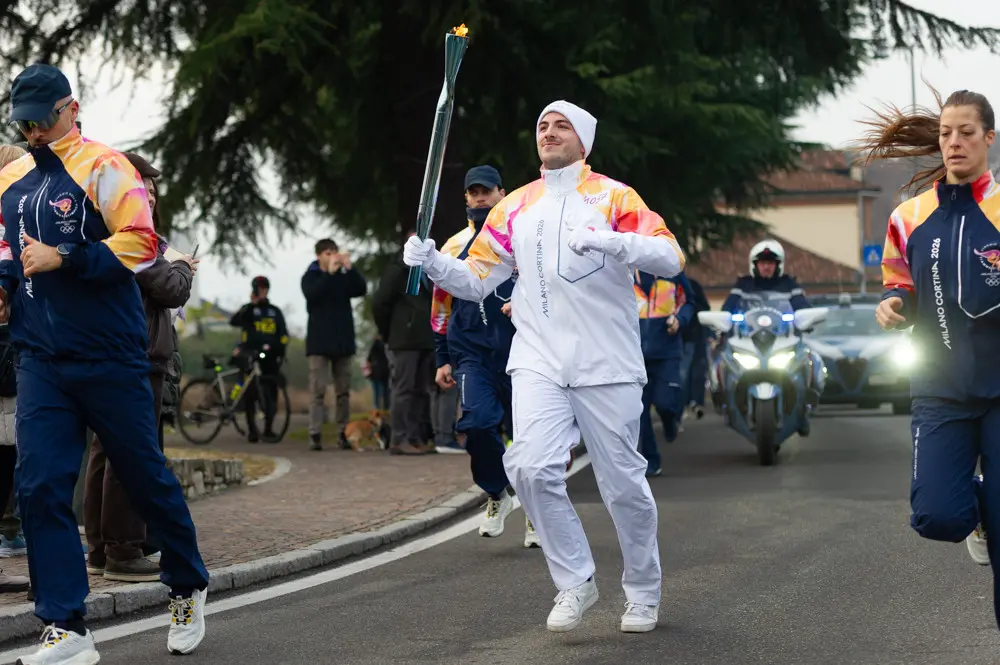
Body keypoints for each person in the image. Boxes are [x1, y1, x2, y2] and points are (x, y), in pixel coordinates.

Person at [403, 100, 684, 634]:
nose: (550, 133)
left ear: (584, 140)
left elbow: (670, 257)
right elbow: (478, 279)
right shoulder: (514, 206)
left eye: (562, 126)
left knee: (623, 483)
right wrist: (435, 263)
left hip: (606, 360)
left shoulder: (615, 196)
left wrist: (610, 239)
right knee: (528, 468)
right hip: (537, 358)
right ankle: (575, 579)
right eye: (542, 126)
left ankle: (643, 592)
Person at [0, 62, 208, 662]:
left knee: (142, 478)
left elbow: (143, 243)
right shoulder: (12, 178)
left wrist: (66, 256)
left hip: (111, 355)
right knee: (39, 485)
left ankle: (188, 584)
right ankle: (67, 626)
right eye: (25, 123)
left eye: (44, 119)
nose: (36, 132)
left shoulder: (106, 166)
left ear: (71, 107)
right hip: (40, 355)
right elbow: (8, 252)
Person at [867, 88, 1000, 631]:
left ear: (988, 138)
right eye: (946, 133)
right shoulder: (907, 216)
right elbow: (898, 285)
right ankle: (978, 517)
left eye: (966, 132)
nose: (954, 142)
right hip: (940, 388)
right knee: (938, 517)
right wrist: (892, 305)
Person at [84, 151, 197, 584]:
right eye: (140, 185)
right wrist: (184, 267)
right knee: (130, 452)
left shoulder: (100, 228)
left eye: (151, 188)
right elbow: (169, 289)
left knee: (104, 451)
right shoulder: (135, 233)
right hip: (139, 353)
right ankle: (123, 549)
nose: (147, 193)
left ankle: (99, 545)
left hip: (111, 349)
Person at [431, 165, 540, 544]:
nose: (481, 197)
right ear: (466, 197)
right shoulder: (452, 247)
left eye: (488, 190)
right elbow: (440, 305)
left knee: (531, 442)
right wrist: (442, 357)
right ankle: (498, 493)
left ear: (501, 193)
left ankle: (537, 514)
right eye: (474, 192)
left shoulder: (523, 238)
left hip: (524, 353)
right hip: (472, 356)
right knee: (477, 427)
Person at [717, 239, 824, 414]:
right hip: (749, 338)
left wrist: (807, 319)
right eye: (763, 263)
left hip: (783, 337)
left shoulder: (789, 284)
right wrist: (724, 321)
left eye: (771, 263)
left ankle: (805, 403)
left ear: (778, 265)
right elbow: (728, 308)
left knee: (809, 358)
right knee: (722, 360)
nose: (767, 267)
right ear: (755, 265)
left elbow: (801, 306)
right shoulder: (744, 285)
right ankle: (724, 398)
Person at [371, 235, 437, 456]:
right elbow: (380, 303)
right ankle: (399, 438)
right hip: (405, 341)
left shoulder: (429, 268)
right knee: (404, 389)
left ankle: (416, 437)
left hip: (426, 338)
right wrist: (389, 332)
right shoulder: (397, 270)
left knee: (421, 391)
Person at [302, 238, 367, 451]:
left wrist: (350, 268)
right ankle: (315, 434)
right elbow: (313, 295)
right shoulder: (310, 277)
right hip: (319, 343)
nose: (333, 257)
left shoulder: (343, 277)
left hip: (342, 342)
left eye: (335, 252)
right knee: (317, 391)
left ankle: (343, 433)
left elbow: (360, 289)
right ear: (319, 255)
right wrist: (328, 274)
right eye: (328, 253)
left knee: (343, 391)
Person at [634, 269, 694, 477]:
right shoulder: (627, 275)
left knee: (665, 403)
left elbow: (689, 303)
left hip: (667, 353)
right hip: (635, 357)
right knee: (640, 413)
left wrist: (679, 320)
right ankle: (651, 460)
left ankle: (671, 422)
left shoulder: (672, 273)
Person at [229, 276, 289, 443]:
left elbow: (283, 334)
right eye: (258, 289)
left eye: (263, 289)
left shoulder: (275, 312)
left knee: (271, 394)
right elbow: (234, 321)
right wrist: (251, 305)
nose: (261, 292)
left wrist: (280, 351)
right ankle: (252, 431)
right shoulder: (248, 309)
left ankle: (268, 429)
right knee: (250, 394)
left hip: (270, 359)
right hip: (250, 357)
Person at [679, 276, 710, 422]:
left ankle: (696, 403)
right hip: (677, 338)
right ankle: (684, 405)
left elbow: (704, 308)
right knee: (683, 374)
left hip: (694, 335)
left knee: (696, 372)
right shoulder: (666, 283)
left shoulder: (692, 285)